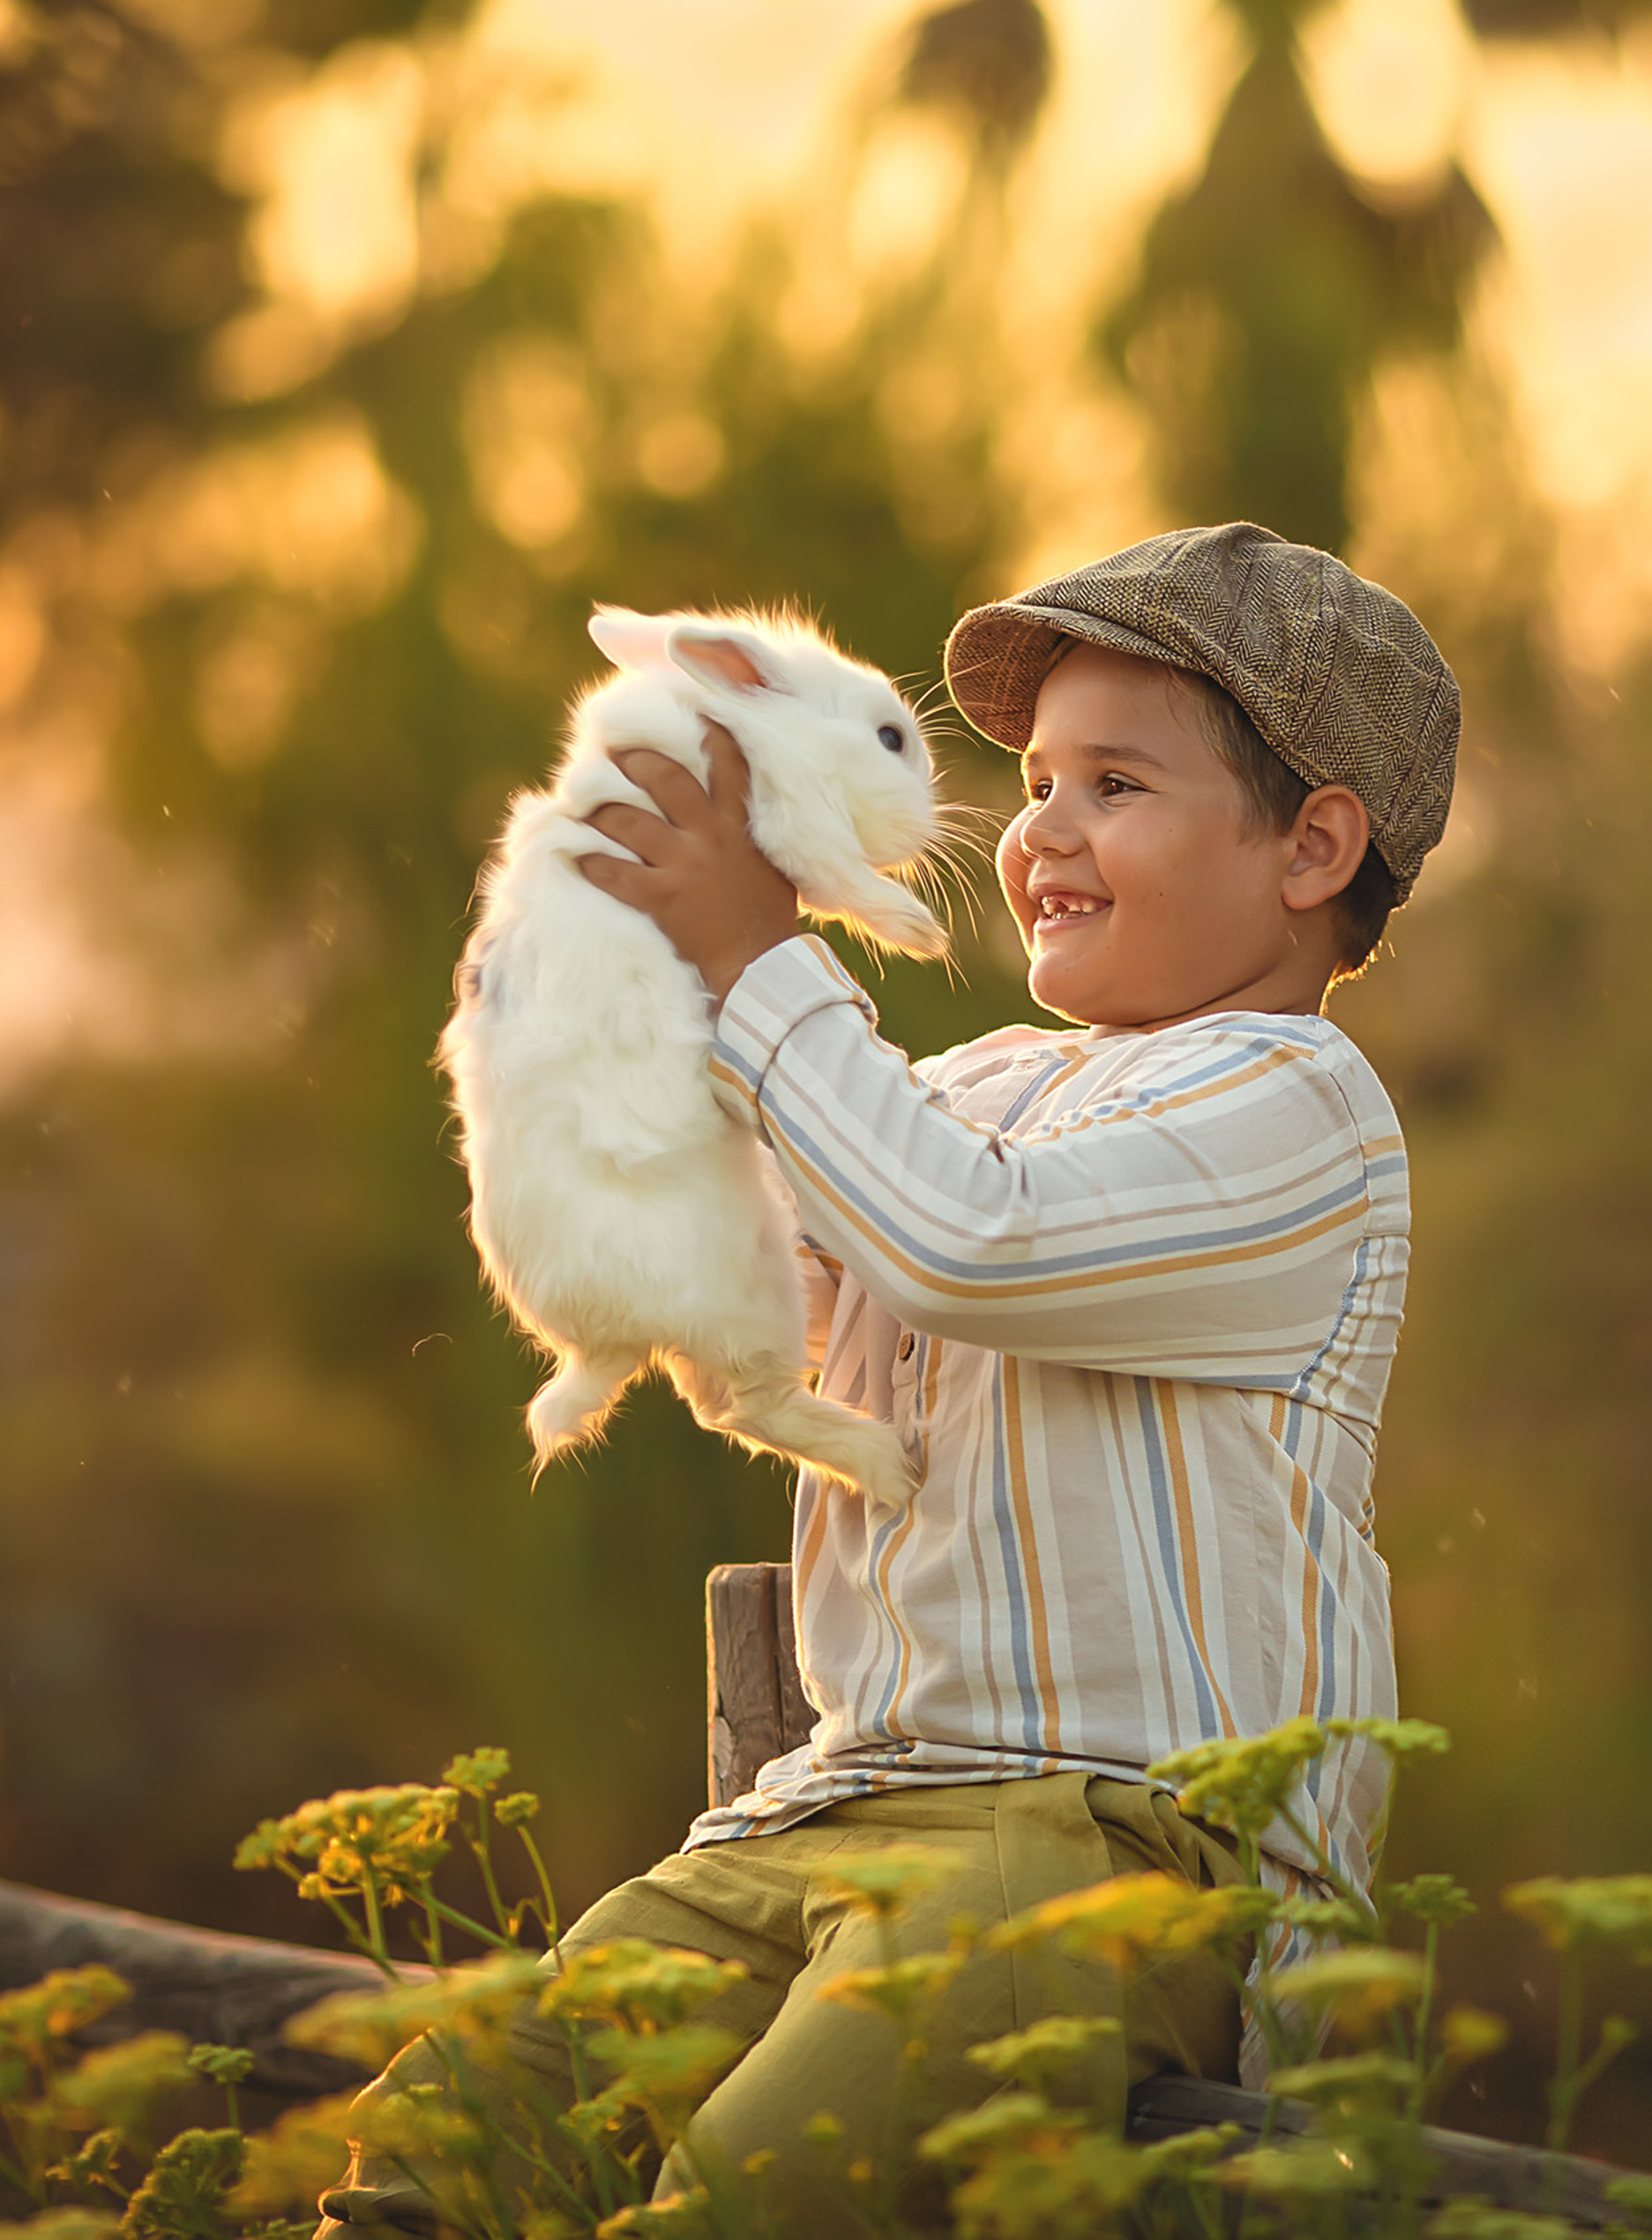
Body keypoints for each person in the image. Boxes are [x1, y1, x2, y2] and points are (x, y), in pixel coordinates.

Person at [317, 521, 1458, 2236]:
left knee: (757, 2182)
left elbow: (963, 1244)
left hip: (1116, 1843)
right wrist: (603, 985)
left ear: (1309, 847)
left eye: (1113, 787)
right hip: (833, 1806)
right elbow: (770, 1259)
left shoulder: (1299, 1112)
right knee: (461, 2125)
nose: (1037, 834)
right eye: (1034, 780)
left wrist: (758, 960)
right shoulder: (983, 1077)